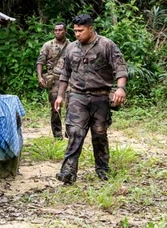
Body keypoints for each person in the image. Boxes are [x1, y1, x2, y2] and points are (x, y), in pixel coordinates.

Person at [53, 14, 127, 184]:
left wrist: (121, 88)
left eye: (81, 30)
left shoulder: (106, 45)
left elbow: (120, 68)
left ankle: (103, 169)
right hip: (77, 95)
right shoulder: (71, 48)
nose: (77, 34)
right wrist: (59, 96)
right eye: (75, 31)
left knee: (99, 133)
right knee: (75, 132)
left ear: (90, 28)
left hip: (100, 96)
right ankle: (68, 172)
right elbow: (65, 74)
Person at [36, 22, 70, 140]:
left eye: (60, 30)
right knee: (56, 107)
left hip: (69, 80)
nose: (58, 32)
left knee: (72, 105)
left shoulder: (72, 45)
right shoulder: (48, 45)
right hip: (55, 79)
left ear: (65, 31)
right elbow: (40, 62)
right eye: (56, 30)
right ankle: (58, 135)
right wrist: (40, 77)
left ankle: (70, 131)